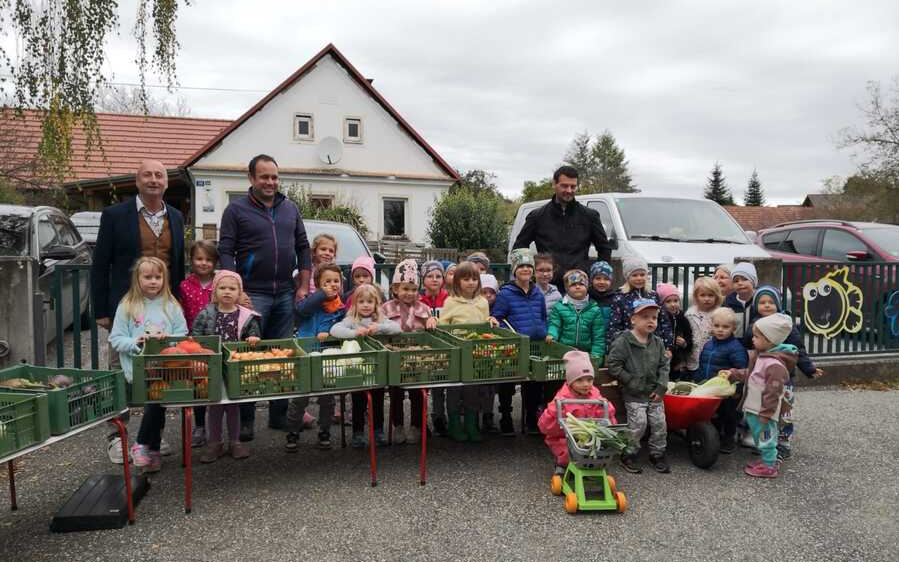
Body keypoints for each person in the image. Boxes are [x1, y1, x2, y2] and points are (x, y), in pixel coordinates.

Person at [91, 160, 185, 462]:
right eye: (148, 175)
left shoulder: (177, 216)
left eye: (160, 175)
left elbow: (178, 264)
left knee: (158, 374)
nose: (154, 180)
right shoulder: (115, 215)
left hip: (163, 307)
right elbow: (100, 264)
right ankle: (116, 438)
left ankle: (150, 439)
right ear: (137, 180)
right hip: (126, 307)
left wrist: (178, 305)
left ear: (167, 183)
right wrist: (102, 309)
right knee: (120, 375)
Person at [218, 154, 312, 441]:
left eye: (274, 177)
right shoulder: (235, 210)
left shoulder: (290, 208)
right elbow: (225, 251)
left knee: (281, 356)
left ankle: (278, 415)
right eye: (264, 177)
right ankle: (246, 420)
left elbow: (303, 247)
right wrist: (237, 292)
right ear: (251, 178)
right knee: (248, 358)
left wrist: (304, 285)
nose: (270, 182)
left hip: (284, 291)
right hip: (251, 295)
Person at [109, 257, 187, 473]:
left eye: (158, 277)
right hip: (138, 368)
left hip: (166, 367)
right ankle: (142, 444)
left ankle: (151, 449)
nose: (153, 281)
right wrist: (135, 342)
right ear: (137, 279)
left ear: (164, 279)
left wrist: (168, 337)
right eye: (148, 277)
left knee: (158, 403)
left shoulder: (171, 305)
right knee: (156, 401)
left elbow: (183, 335)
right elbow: (116, 339)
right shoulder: (127, 306)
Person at [741, 285, 824, 459]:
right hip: (762, 378)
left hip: (785, 378)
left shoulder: (787, 326)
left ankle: (784, 442)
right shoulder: (755, 324)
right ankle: (765, 442)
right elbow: (748, 342)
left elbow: (799, 350)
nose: (766, 305)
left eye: (771, 302)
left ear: (778, 304)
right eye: (762, 302)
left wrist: (809, 368)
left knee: (784, 412)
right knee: (762, 410)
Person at [190, 270, 261, 462]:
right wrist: (200, 350)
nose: (227, 292)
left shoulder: (246, 315)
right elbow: (195, 336)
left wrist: (253, 337)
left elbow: (254, 334)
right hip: (212, 368)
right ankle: (214, 443)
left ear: (240, 292)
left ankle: (235, 441)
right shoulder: (206, 313)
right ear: (215, 291)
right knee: (214, 405)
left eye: (232, 288)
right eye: (222, 288)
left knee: (233, 405)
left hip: (235, 367)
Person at [512, 165, 612, 291]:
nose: (569, 190)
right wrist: (530, 275)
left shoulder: (590, 216)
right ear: (554, 184)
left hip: (579, 287)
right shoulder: (537, 217)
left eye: (573, 186)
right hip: (546, 287)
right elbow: (519, 248)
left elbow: (604, 249)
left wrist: (598, 276)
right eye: (564, 186)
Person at [722, 313, 797, 478]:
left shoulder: (774, 364)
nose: (752, 340)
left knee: (765, 436)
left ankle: (769, 466)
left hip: (763, 409)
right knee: (760, 435)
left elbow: (773, 391)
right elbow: (753, 374)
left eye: (756, 337)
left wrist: (767, 413)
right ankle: (766, 461)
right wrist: (735, 374)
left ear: (769, 340)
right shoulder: (763, 357)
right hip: (756, 406)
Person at [332, 284, 403, 447]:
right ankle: (358, 433)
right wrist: (353, 333)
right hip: (357, 370)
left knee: (378, 400)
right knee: (358, 401)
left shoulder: (379, 320)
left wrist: (380, 328)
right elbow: (335, 329)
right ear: (355, 304)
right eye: (361, 301)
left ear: (376, 304)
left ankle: (378, 431)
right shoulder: (352, 320)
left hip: (377, 369)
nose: (365, 305)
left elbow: (397, 328)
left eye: (369, 302)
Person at [607, 298, 671, 474]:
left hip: (654, 393)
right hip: (633, 393)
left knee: (659, 423)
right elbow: (614, 364)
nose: (651, 321)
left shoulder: (657, 342)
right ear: (633, 319)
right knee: (639, 424)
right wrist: (630, 381)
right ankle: (629, 453)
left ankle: (657, 453)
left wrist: (661, 387)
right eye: (645, 317)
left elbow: (664, 366)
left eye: (654, 317)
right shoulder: (624, 341)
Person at [286, 263, 345, 452]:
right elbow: (301, 311)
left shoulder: (339, 307)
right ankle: (293, 431)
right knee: (300, 398)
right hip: (305, 352)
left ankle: (324, 431)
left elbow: (343, 329)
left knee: (327, 398)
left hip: (326, 356)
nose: (332, 285)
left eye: (336, 281)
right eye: (327, 281)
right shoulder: (311, 300)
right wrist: (320, 295)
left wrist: (329, 334)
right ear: (318, 284)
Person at [439, 262, 499, 442]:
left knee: (473, 390)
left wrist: (490, 319)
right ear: (457, 282)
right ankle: (454, 424)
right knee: (454, 390)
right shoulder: (450, 301)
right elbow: (444, 325)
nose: (471, 283)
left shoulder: (482, 302)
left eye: (474, 279)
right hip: (457, 353)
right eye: (466, 279)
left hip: (476, 352)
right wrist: (435, 321)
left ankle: (472, 424)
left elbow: (483, 322)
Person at [491, 249, 547, 436]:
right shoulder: (506, 293)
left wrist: (544, 331)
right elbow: (497, 319)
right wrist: (511, 334)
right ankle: (506, 417)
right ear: (514, 270)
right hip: (514, 347)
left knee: (534, 384)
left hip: (536, 346)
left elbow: (543, 316)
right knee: (508, 382)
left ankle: (531, 418)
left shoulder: (537, 293)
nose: (525, 270)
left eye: (528, 266)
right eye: (521, 266)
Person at [382, 259, 438, 444]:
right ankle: (397, 426)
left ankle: (417, 425)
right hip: (395, 357)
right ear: (395, 289)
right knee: (395, 393)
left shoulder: (424, 308)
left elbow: (432, 325)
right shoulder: (386, 308)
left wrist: (432, 321)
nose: (409, 293)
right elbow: (380, 327)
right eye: (405, 289)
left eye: (413, 289)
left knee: (418, 393)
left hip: (418, 358)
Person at [538, 351, 618, 474]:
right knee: (567, 449)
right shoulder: (562, 399)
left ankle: (593, 467)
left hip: (590, 436)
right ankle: (562, 464)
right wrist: (553, 412)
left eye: (589, 379)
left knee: (600, 446)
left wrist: (606, 408)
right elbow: (545, 427)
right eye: (579, 380)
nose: (586, 384)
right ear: (570, 381)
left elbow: (609, 422)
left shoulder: (596, 395)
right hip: (566, 437)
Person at [178, 240, 218, 448]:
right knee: (199, 383)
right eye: (199, 259)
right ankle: (200, 426)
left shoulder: (219, 283)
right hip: (194, 340)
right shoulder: (185, 285)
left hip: (218, 338)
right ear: (192, 260)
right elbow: (182, 312)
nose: (203, 263)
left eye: (208, 260)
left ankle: (220, 429)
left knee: (218, 384)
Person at [696, 307, 748, 452]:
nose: (720, 330)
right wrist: (698, 381)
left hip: (727, 391)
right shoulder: (708, 344)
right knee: (713, 415)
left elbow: (741, 369)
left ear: (733, 328)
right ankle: (714, 438)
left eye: (725, 327)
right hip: (710, 387)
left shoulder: (736, 348)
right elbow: (703, 363)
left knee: (729, 414)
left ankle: (728, 439)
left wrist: (737, 388)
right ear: (711, 326)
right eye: (717, 326)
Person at [606, 257, 673, 352]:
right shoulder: (620, 297)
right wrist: (615, 347)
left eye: (642, 274)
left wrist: (668, 346)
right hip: (630, 346)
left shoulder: (653, 295)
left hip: (654, 346)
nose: (639, 278)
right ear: (627, 277)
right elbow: (614, 325)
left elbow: (664, 321)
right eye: (634, 275)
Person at [546, 269, 606, 360]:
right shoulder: (559, 307)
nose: (578, 287)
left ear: (587, 287)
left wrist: (596, 356)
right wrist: (552, 334)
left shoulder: (594, 310)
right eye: (573, 284)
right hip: (564, 352)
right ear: (566, 288)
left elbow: (598, 336)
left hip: (586, 354)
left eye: (581, 284)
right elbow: (555, 324)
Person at [419, 260, 449, 434]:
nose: (434, 279)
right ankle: (422, 422)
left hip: (442, 346)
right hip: (424, 346)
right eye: (430, 276)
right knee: (423, 387)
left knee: (440, 385)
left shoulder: (448, 299)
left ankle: (439, 417)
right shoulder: (418, 299)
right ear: (423, 280)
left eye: (438, 276)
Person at [684, 277, 723, 377]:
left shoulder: (719, 314)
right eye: (703, 295)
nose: (707, 299)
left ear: (716, 296)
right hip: (693, 358)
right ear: (696, 296)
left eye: (710, 295)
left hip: (713, 359)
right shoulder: (690, 314)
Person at [656, 283, 693, 381]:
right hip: (662, 359)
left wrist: (685, 343)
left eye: (676, 301)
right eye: (668, 301)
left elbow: (689, 337)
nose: (673, 304)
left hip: (678, 361)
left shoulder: (682, 318)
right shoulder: (659, 319)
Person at [724, 262, 758, 340]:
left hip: (756, 345)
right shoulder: (728, 302)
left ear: (753, 282)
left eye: (745, 279)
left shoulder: (759, 300)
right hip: (734, 345)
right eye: (736, 281)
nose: (740, 283)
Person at [587, 260, 616, 327]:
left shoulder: (615, 298)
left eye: (606, 279)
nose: (602, 282)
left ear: (611, 281)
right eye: (598, 278)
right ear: (592, 280)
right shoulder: (586, 297)